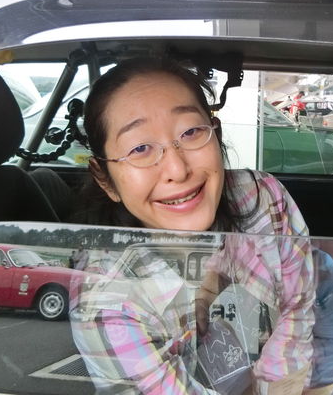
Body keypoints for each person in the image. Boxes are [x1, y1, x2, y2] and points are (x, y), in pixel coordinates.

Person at [69, 57, 315, 394]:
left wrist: (279, 388)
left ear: (217, 134)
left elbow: (297, 310)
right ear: (105, 179)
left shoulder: (262, 198)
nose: (177, 169)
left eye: (191, 132)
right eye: (140, 148)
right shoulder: (106, 302)